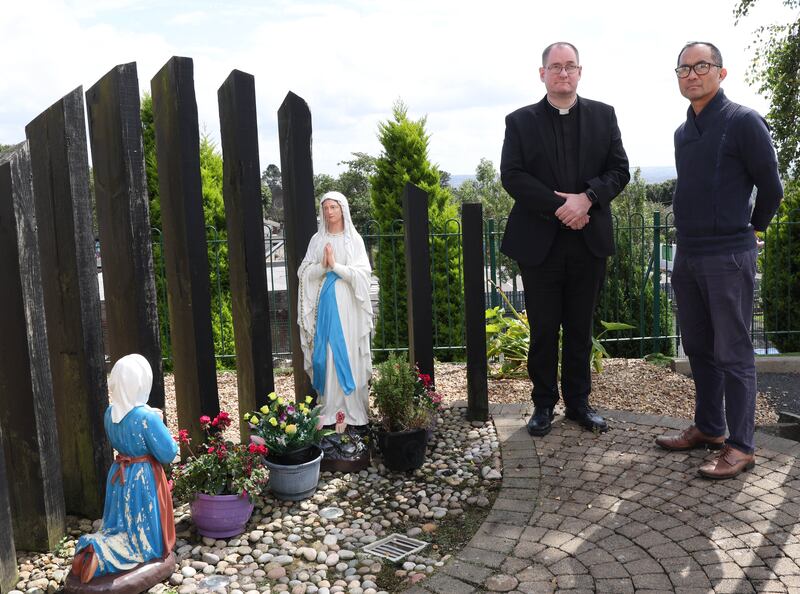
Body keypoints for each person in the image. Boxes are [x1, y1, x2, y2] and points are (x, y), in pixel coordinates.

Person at [655, 42, 783, 479]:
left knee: (733, 352)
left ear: (721, 73)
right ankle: (710, 428)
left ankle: (742, 446)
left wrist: (753, 229)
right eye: (684, 68)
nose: (692, 74)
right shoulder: (682, 132)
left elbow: (772, 187)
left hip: (728, 254)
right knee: (699, 347)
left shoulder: (743, 121)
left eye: (702, 66)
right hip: (687, 253)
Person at [500, 41, 630, 437]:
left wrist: (587, 199)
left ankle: (578, 404)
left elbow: (619, 170)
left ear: (579, 71)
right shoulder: (519, 121)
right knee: (542, 330)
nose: (562, 73)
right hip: (540, 242)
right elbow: (513, 175)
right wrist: (562, 206)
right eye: (555, 67)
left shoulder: (604, 116)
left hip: (587, 241)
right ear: (542, 73)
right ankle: (543, 405)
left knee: (579, 328)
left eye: (569, 66)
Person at [71, 354, 177, 582]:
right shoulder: (146, 418)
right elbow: (168, 453)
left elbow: (128, 428)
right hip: (142, 478)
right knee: (141, 538)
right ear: (141, 383)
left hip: (119, 475)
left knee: (118, 524)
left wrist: (151, 417)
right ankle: (103, 554)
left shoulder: (110, 413)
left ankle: (96, 547)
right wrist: (156, 421)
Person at [298, 191, 373, 428]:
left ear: (343, 209)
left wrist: (336, 266)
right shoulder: (317, 240)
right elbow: (304, 273)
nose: (329, 212)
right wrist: (323, 265)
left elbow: (363, 274)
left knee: (349, 352)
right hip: (327, 303)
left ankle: (351, 409)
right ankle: (330, 407)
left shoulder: (355, 240)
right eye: (326, 208)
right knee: (327, 352)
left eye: (333, 207)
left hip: (349, 305)